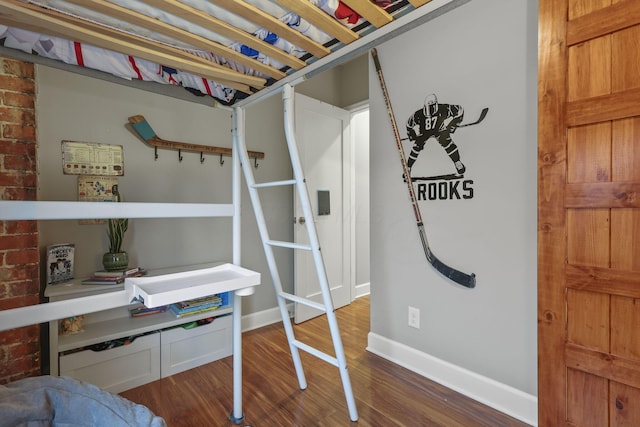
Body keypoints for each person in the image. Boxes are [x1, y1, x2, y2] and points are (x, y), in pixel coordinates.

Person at [405, 93, 466, 176]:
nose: (430, 110)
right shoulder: (419, 114)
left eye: (432, 107)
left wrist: (453, 124)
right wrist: (411, 133)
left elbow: (459, 110)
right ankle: (408, 168)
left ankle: (457, 163)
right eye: (428, 107)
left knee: (447, 142)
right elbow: (409, 124)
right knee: (417, 146)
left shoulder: (444, 108)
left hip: (439, 131)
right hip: (425, 132)